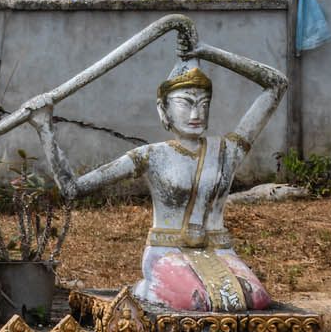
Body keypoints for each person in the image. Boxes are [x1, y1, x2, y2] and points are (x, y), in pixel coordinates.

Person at [31, 30, 285, 312]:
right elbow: (73, 189)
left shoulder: (227, 151)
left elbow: (276, 84)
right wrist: (44, 128)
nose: (196, 114)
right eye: (185, 103)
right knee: (197, 302)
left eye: (203, 104)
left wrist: (207, 52)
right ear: (163, 110)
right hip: (168, 251)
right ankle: (146, 288)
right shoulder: (151, 156)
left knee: (254, 299)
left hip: (218, 251)